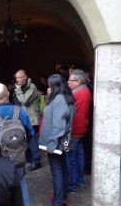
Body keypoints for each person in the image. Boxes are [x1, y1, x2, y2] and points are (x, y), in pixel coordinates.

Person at [0, 83, 35, 206]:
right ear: (8, 94)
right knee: (21, 183)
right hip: (18, 157)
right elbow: (31, 134)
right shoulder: (21, 111)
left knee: (0, 189)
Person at [39, 74, 75, 206]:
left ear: (55, 86)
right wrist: (49, 97)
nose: (48, 87)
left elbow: (58, 125)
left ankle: (58, 200)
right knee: (62, 168)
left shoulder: (59, 99)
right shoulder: (64, 97)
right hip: (61, 141)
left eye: (50, 85)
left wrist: (51, 145)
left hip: (56, 142)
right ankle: (62, 195)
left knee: (57, 171)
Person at [67, 69, 92, 193]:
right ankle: (80, 180)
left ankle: (72, 185)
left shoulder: (75, 93)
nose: (68, 82)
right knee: (80, 156)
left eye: (70, 80)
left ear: (77, 81)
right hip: (83, 129)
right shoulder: (86, 90)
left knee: (71, 158)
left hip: (74, 130)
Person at [14, 69, 41, 170]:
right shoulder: (20, 87)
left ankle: (37, 161)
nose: (17, 80)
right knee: (25, 141)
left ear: (25, 77)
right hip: (22, 118)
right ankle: (29, 160)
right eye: (16, 78)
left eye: (19, 77)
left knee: (32, 141)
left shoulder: (32, 87)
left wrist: (17, 90)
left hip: (31, 119)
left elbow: (25, 100)